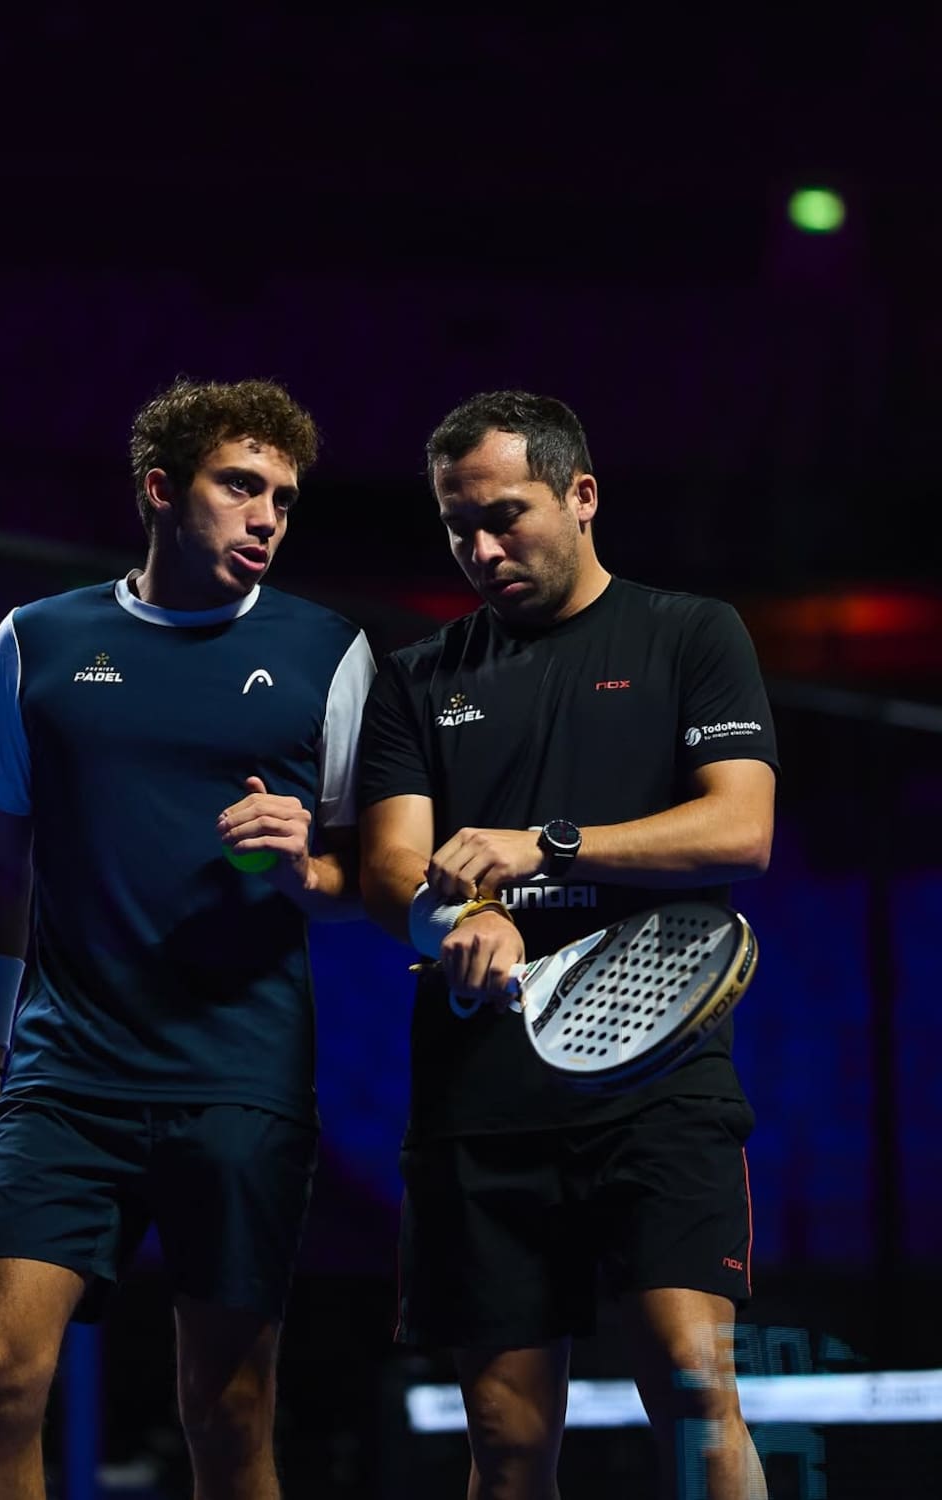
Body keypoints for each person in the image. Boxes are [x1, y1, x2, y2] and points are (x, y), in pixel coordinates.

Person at [0, 376, 375, 1500]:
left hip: (241, 1077)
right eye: (241, 486)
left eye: (284, 498)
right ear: (160, 490)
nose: (267, 517)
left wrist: (306, 869)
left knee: (228, 1414)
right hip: (65, 1073)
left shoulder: (330, 652)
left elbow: (369, 884)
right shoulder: (35, 642)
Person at [358, 391, 778, 1500]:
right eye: (459, 527)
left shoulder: (692, 633)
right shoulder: (415, 677)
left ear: (581, 495)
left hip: (660, 1082)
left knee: (693, 1391)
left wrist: (545, 846)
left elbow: (741, 828)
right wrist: (464, 918)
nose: (482, 550)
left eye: (506, 516)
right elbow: (393, 868)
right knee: (504, 1448)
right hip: (479, 1099)